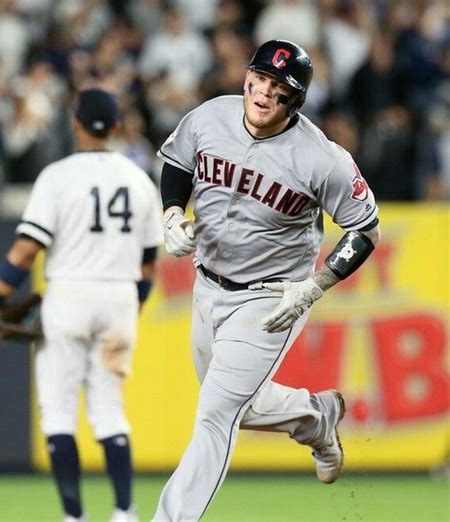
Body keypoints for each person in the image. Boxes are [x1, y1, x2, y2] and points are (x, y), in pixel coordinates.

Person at [155, 39, 380, 521]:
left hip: (271, 298)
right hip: (207, 282)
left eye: (280, 88)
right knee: (243, 405)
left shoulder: (322, 158)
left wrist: (315, 285)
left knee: (216, 415)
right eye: (261, 79)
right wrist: (172, 213)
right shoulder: (211, 116)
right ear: (246, 78)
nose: (265, 93)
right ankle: (316, 417)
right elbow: (177, 161)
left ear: (294, 100)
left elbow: (365, 227)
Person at [0, 88, 163, 522]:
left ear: (75, 121)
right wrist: (131, 306)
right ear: (118, 126)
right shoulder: (139, 178)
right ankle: (123, 511)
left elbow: (27, 249)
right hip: (119, 295)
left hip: (69, 294)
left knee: (59, 412)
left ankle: (74, 517)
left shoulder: (58, 176)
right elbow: (149, 266)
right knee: (109, 411)